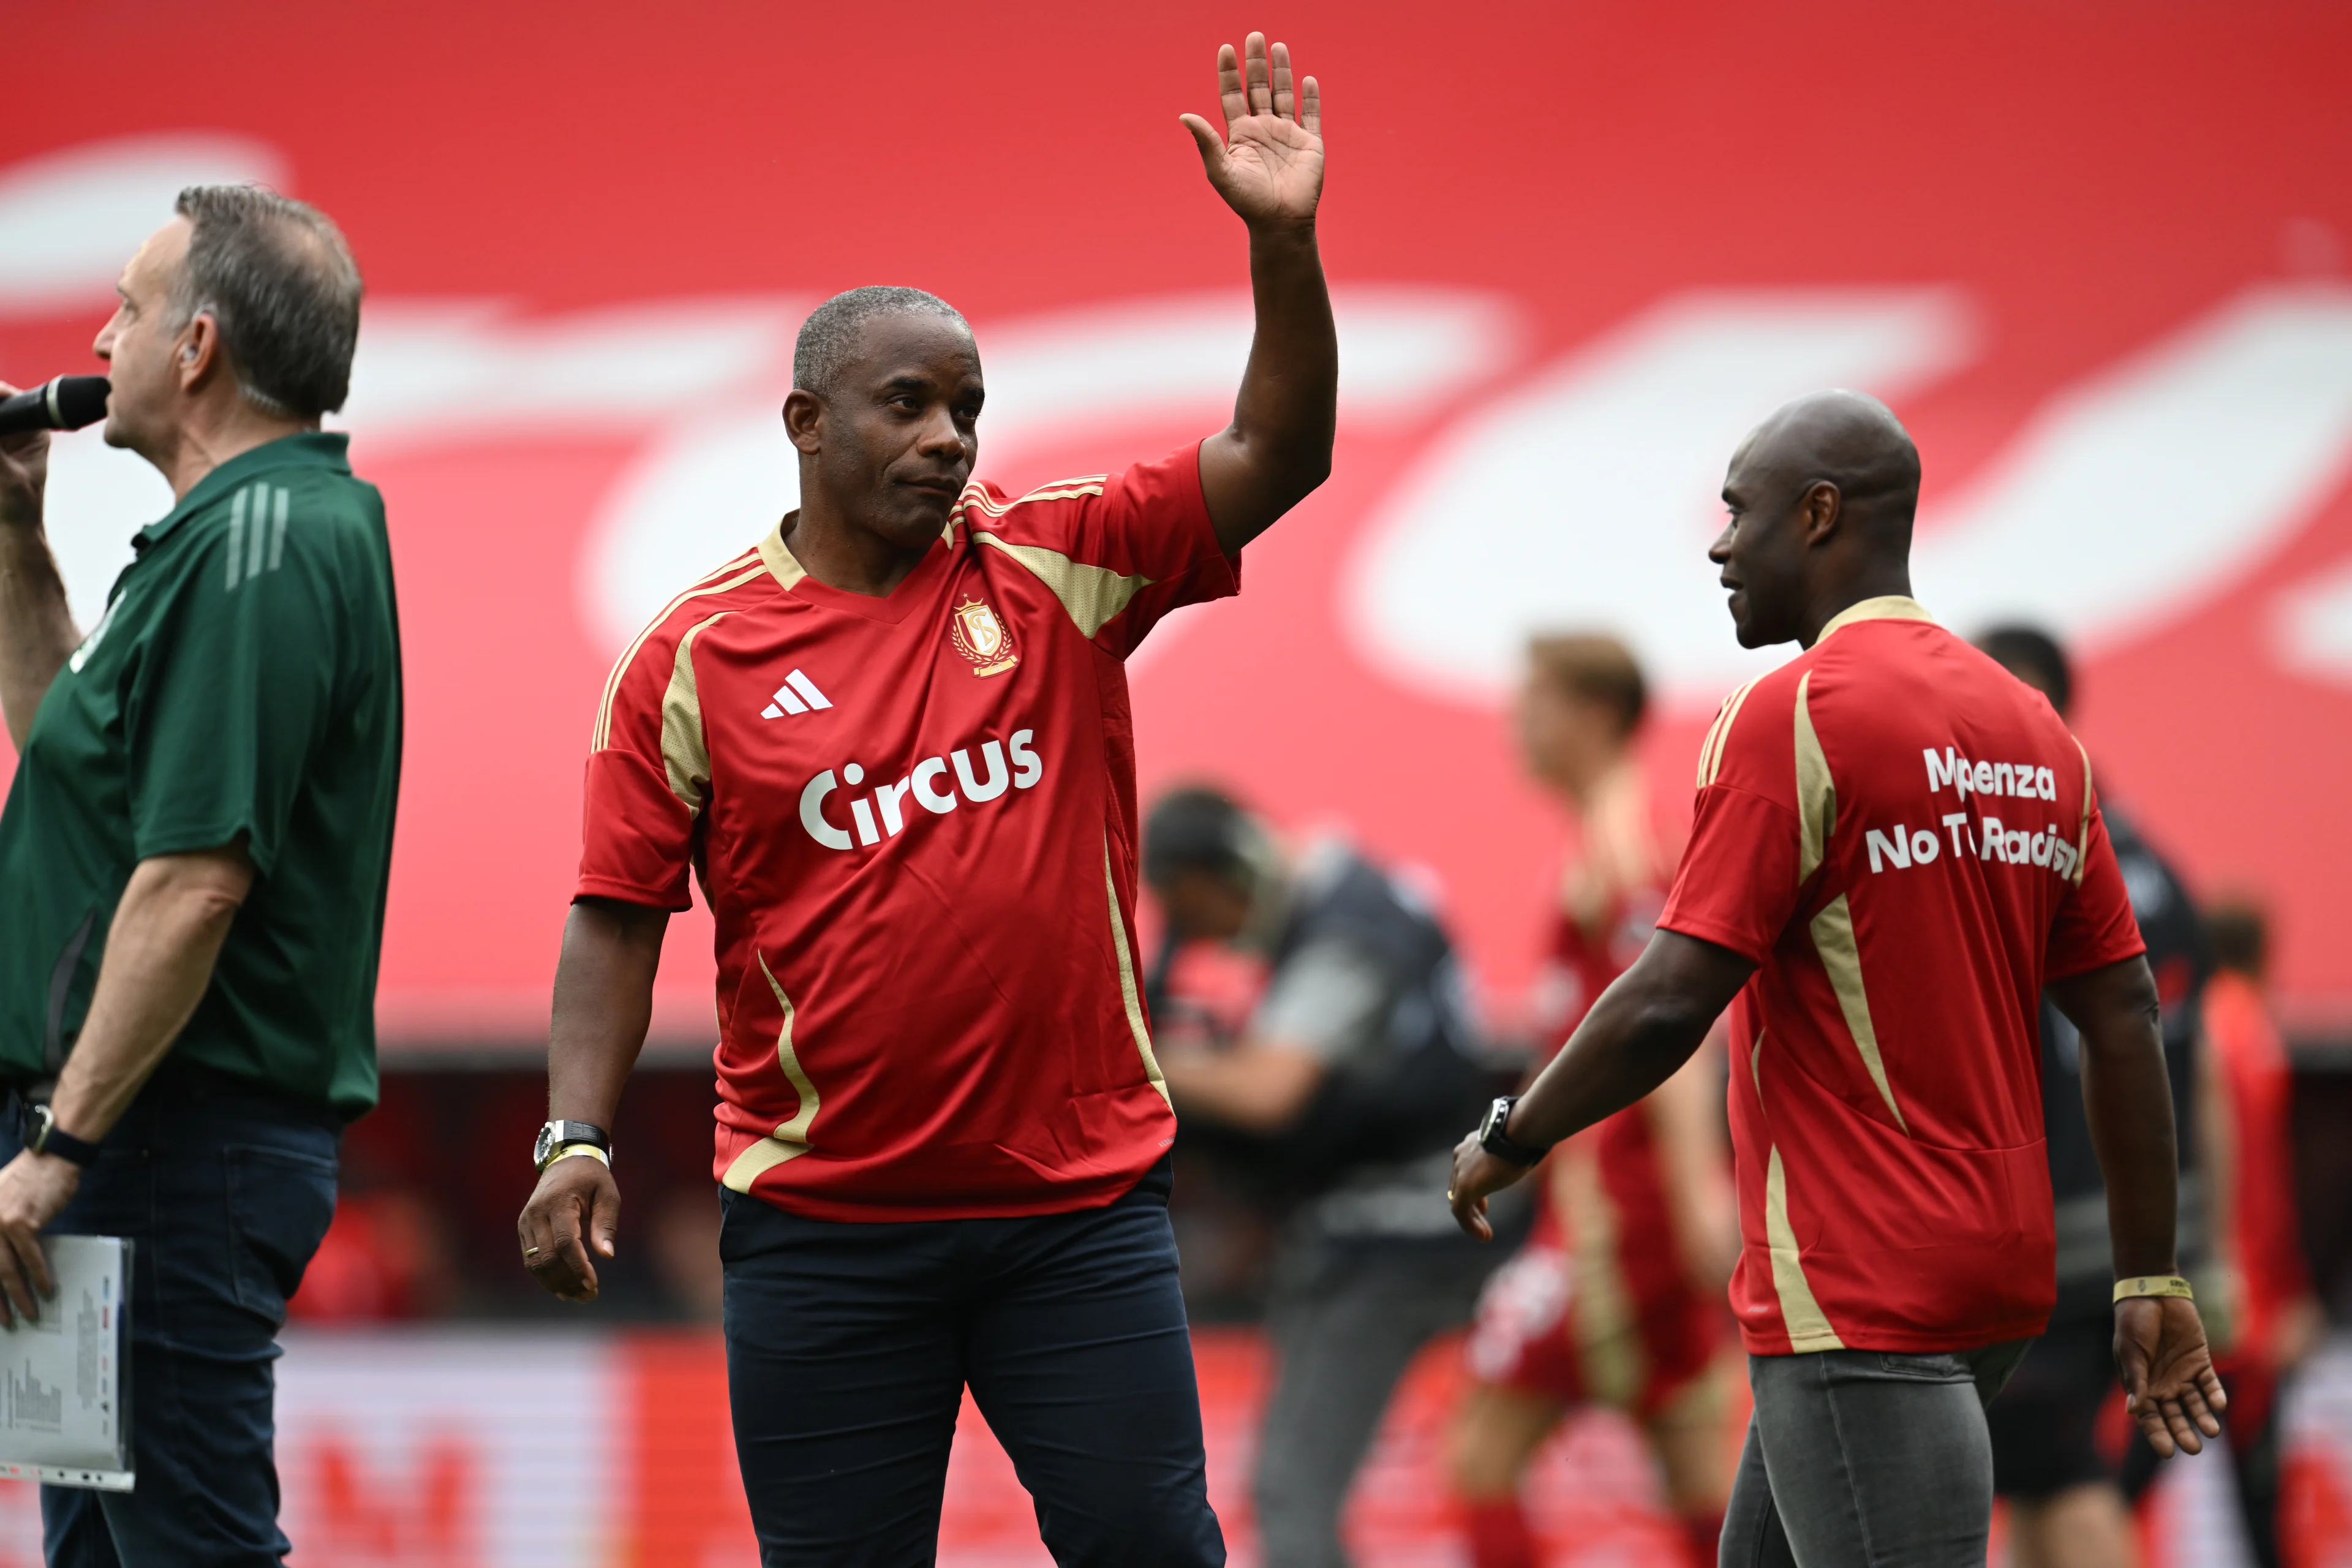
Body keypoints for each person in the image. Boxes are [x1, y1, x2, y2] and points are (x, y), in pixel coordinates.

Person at [513, 32, 1332, 1567]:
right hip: (825, 1230)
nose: (948, 436)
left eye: (965, 404)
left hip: (1076, 1217)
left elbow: (1281, 450)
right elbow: (615, 916)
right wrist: (577, 1132)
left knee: (1158, 1553)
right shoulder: (689, 657)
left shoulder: (1056, 559)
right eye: (905, 402)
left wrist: (1280, 245)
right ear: (806, 425)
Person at [1447, 390, 2227, 1567]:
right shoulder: (2035, 733)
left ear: (1818, 516)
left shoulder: (1792, 717)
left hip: (1860, 1283)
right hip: (1997, 1277)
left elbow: (1670, 998)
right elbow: (2123, 1016)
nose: (1717, 544)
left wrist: (1515, 1132)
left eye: (1737, 512)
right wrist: (2148, 1270)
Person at [0, 186, 397, 1563]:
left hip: (160, 1143)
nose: (99, 334)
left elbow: (193, 882)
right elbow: (76, 765)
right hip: (130, 1137)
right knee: (101, 1556)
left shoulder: (259, 544)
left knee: (189, 1550)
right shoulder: (221, 540)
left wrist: (59, 1152)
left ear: (199, 345)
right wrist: (13, 535)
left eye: (129, 304)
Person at [1143, 786, 1500, 1568]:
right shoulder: (1352, 897)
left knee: (1291, 1496)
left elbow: (1270, 1091)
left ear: (1220, 872)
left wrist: (1137, 1056)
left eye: (1189, 907)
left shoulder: (1347, 928)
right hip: (1404, 1220)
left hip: (1391, 1230)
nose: (1199, 934)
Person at [1447, 635, 1736, 1568]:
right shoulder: (1605, 837)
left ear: (1595, 714)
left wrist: (1698, 1189)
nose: (1514, 726)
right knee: (1697, 1467)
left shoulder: (1627, 844)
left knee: (1480, 1454)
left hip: (1618, 1223)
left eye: (1533, 701)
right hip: (1613, 1211)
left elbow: (1672, 1027)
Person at [1975, 625, 2212, 1568]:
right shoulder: (2150, 858)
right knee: (2041, 1479)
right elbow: (2208, 1070)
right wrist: (2212, 1241)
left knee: (2063, 1477)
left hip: (2065, 1229)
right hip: (2150, 1226)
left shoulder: (2025, 852)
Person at [2119, 899, 2321, 1568]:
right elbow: (2267, 1188)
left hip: (2204, 1284)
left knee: (2127, 1475)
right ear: (2264, 948)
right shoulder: (2252, 1034)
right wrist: (2284, 1285)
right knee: (2256, 1507)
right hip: (2241, 1302)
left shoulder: (2202, 1022)